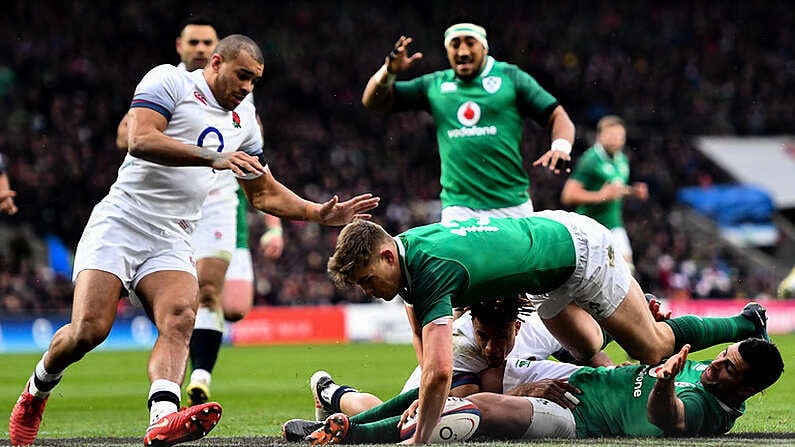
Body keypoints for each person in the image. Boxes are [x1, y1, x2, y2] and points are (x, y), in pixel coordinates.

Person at [8, 34, 379, 447]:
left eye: (254, 81)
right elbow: (141, 139)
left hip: (171, 234)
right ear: (215, 63)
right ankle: (36, 391)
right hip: (121, 221)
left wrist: (316, 212)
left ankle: (162, 417)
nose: (247, 88)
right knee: (88, 332)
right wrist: (212, 158)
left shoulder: (244, 124)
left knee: (183, 315)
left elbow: (263, 192)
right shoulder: (170, 82)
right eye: (241, 76)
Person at [325, 213, 769, 444]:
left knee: (653, 348)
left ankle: (745, 321)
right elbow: (429, 355)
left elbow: (439, 374)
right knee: (592, 343)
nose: (367, 290)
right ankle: (345, 413)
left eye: (366, 281)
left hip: (576, 251)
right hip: (551, 251)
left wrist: (421, 436)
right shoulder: (408, 251)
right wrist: (427, 388)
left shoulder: (428, 269)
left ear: (385, 257)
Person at [114, 17, 286, 408]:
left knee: (228, 303)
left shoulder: (239, 94)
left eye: (207, 42)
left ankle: (198, 376)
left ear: (218, 51)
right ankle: (180, 360)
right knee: (177, 305)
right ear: (180, 46)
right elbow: (130, 137)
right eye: (193, 42)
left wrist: (276, 224)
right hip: (161, 207)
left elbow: (259, 165)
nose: (200, 48)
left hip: (219, 202)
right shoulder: (167, 83)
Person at [288, 337, 783, 443]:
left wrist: (666, 383)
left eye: (730, 367)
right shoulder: (709, 368)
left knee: (471, 405)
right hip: (569, 379)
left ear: (750, 388)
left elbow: (665, 417)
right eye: (723, 354)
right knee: (443, 385)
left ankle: (345, 430)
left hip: (577, 416)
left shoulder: (706, 409)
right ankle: (336, 402)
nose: (717, 364)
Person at [361, 20, 575, 224]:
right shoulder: (435, 85)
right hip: (459, 209)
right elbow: (373, 101)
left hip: (512, 204)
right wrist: (388, 72)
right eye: (455, 45)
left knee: (518, 263)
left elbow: (558, 116)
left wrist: (561, 147)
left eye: (470, 43)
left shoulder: (510, 77)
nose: (462, 51)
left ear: (484, 48)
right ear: (447, 51)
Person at [308, 295, 617, 421]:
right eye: (483, 336)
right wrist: (525, 392)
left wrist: (614, 372)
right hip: (439, 387)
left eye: (501, 338)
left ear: (518, 327)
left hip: (489, 389)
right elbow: (467, 407)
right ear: (473, 327)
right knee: (388, 419)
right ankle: (329, 391)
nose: (491, 349)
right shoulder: (460, 344)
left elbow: (587, 354)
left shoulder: (539, 329)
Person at [560, 115, 648, 268]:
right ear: (600, 136)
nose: (616, 139)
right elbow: (568, 195)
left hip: (613, 224)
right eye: (612, 135)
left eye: (620, 136)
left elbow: (614, 189)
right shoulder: (590, 160)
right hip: (589, 226)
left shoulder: (622, 159)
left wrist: (633, 191)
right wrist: (601, 196)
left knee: (627, 269)